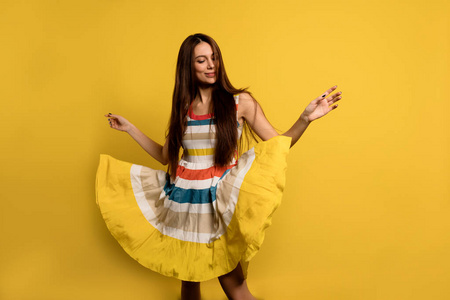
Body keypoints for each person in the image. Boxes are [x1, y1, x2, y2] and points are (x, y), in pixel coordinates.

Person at [96, 33, 342, 300]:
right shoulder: (182, 107)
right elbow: (166, 156)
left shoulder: (240, 102)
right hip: (184, 202)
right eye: (202, 60)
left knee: (234, 285)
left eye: (214, 58)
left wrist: (305, 118)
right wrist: (130, 128)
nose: (211, 65)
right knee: (189, 282)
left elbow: (278, 144)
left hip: (217, 201)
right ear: (188, 67)